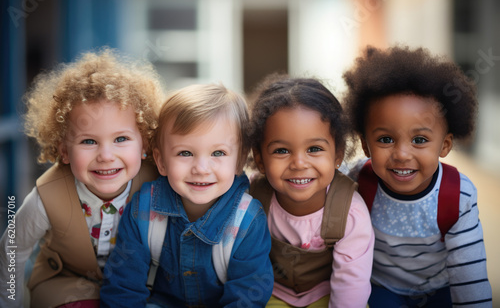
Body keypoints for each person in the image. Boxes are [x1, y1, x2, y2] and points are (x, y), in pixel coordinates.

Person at [0, 48, 165, 308]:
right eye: (89, 141)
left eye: (121, 139)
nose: (106, 155)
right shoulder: (48, 195)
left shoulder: (158, 181)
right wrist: (10, 302)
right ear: (64, 150)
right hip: (66, 284)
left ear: (144, 142)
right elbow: (12, 248)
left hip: (140, 285)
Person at [342, 45, 493, 307]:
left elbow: (469, 277)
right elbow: (318, 184)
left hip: (439, 288)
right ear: (365, 145)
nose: (401, 154)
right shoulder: (357, 179)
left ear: (445, 146)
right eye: (385, 139)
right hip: (382, 288)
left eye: (419, 139)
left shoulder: (458, 195)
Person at [100, 83, 274, 307]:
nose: (201, 168)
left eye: (218, 153)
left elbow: (247, 296)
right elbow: (123, 287)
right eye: (185, 153)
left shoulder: (247, 221)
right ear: (161, 161)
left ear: (239, 161)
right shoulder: (143, 209)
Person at [248, 73, 375, 308]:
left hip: (327, 293)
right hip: (270, 290)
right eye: (281, 151)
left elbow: (350, 287)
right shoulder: (252, 198)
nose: (298, 163)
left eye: (314, 148)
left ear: (337, 154)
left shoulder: (350, 212)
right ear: (260, 159)